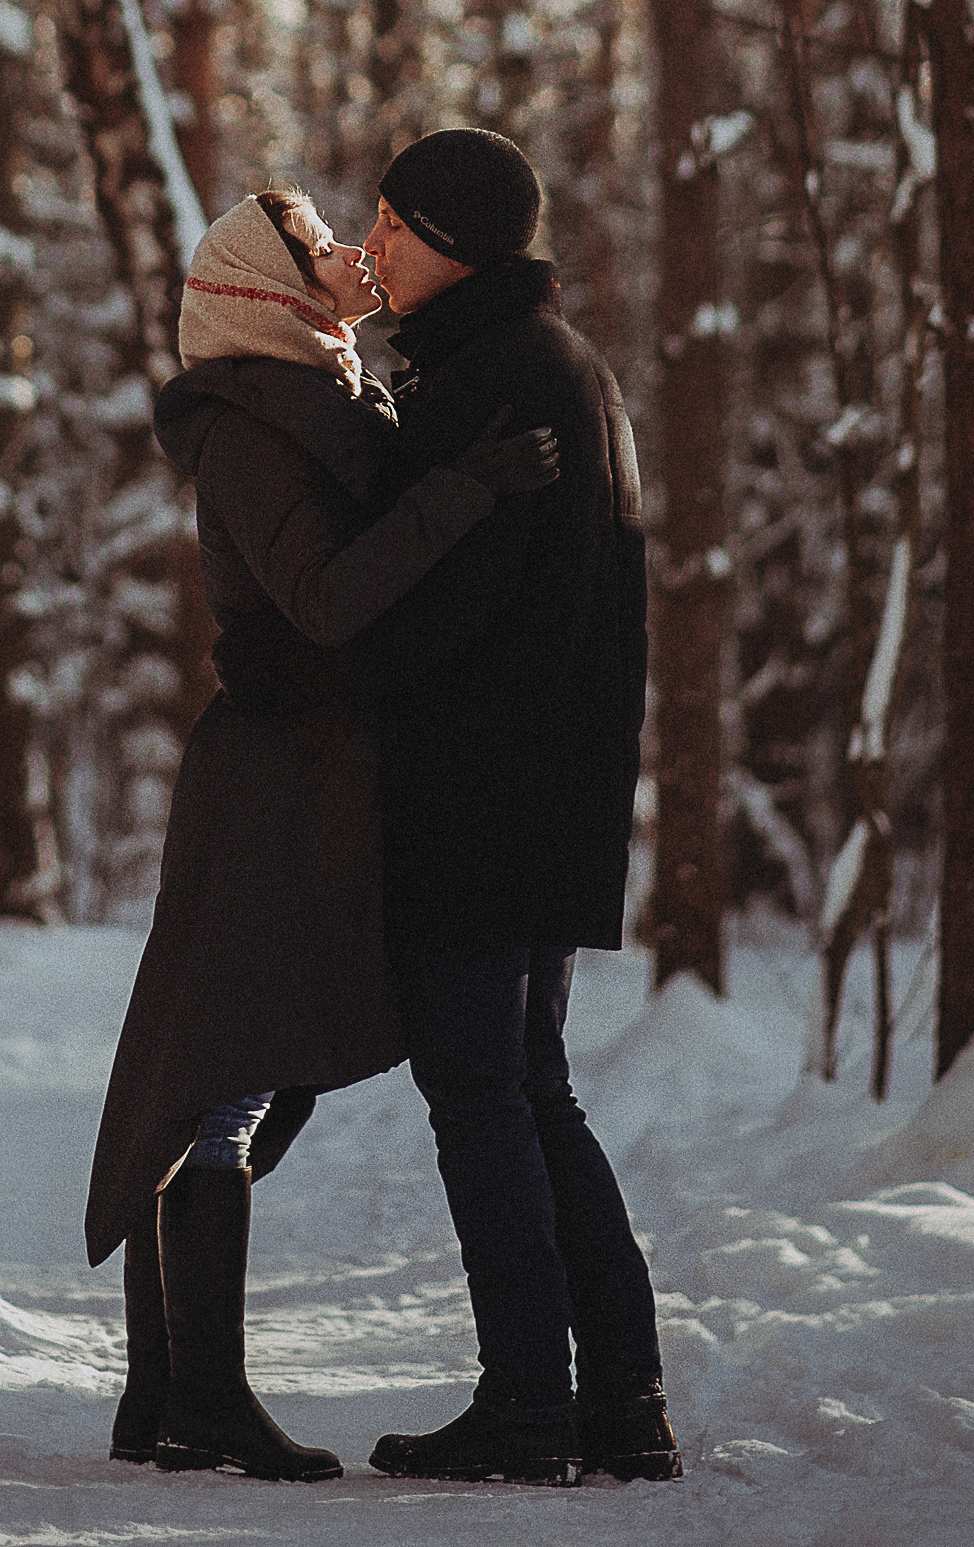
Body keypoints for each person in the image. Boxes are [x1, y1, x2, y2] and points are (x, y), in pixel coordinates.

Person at [85, 186, 559, 1482]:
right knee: (222, 1070)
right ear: (268, 286)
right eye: (318, 245)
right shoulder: (249, 424)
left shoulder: (319, 402)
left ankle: (170, 1400)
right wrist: (463, 489)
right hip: (267, 781)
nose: (352, 252)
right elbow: (328, 597)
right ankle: (206, 1401)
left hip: (308, 774)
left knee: (229, 1069)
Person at [337, 127, 680, 1487]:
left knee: (482, 1095)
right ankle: (625, 1403)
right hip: (557, 793)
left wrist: (334, 664)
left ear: (458, 243)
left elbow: (428, 616)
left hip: (480, 798)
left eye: (395, 227)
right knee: (532, 1092)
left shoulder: (486, 381)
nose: (371, 250)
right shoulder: (565, 366)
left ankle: (532, 1403)